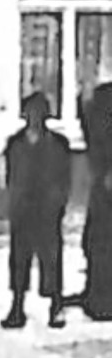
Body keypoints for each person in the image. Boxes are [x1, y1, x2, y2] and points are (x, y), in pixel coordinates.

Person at [1, 92, 71, 329]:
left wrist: (59, 202)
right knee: (19, 258)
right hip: (22, 208)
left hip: (47, 208)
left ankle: (56, 305)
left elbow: (64, 177)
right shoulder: (15, 144)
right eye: (31, 113)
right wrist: (11, 202)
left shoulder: (59, 144)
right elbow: (11, 177)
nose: (35, 118)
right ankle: (17, 305)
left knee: (51, 258)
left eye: (40, 113)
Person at [76, 82, 112, 321]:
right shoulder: (101, 100)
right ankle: (100, 298)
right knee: (99, 242)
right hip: (105, 186)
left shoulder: (98, 99)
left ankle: (99, 297)